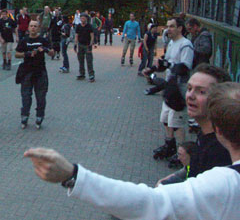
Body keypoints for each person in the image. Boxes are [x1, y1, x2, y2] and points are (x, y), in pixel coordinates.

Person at [23, 82, 240, 220]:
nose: (191, 95)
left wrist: (73, 175)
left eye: (202, 92)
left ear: (218, 129)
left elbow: (150, 204)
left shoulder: (226, 183)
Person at [156, 64, 231, 181]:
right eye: (189, 88)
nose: (190, 95)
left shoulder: (221, 149)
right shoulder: (205, 133)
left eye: (201, 92)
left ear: (220, 99)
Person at [143, 17, 194, 161]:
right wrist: (152, 69)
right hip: (170, 85)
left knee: (176, 122)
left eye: (171, 26)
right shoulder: (172, 43)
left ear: (180, 28)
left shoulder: (186, 45)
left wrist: (168, 64)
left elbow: (184, 67)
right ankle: (169, 144)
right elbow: (166, 62)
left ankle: (182, 151)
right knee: (165, 118)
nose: (168, 29)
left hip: (180, 87)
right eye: (167, 26)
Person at [15, 20, 54, 129]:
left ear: (38, 28)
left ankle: (39, 116)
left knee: (41, 96)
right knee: (26, 96)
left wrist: (46, 49)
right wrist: (27, 54)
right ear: (28, 27)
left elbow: (52, 53)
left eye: (35, 26)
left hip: (40, 71)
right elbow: (17, 54)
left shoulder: (43, 40)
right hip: (27, 72)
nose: (33, 28)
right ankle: (24, 115)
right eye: (31, 26)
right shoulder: (24, 40)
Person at [74, 14, 95, 82]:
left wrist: (91, 44)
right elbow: (76, 36)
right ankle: (82, 73)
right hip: (80, 45)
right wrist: (75, 44)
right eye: (81, 18)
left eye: (83, 18)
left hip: (87, 45)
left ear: (86, 19)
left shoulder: (89, 26)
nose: (82, 19)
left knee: (89, 60)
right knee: (80, 60)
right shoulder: (78, 26)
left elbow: (92, 36)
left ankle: (91, 75)